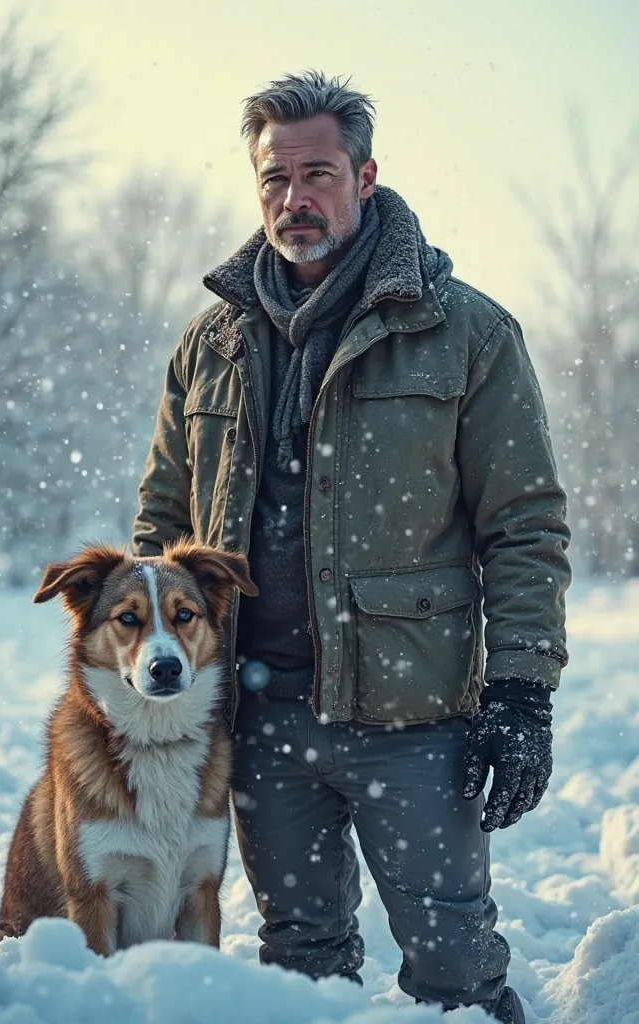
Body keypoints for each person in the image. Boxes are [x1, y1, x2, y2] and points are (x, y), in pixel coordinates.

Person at [132, 71, 571, 1022]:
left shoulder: (466, 333)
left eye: (319, 173)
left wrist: (524, 689)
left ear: (366, 177)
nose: (295, 199)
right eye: (274, 180)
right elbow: (162, 531)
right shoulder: (214, 342)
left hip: (415, 721)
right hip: (258, 717)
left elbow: (525, 525)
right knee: (300, 965)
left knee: (455, 964)